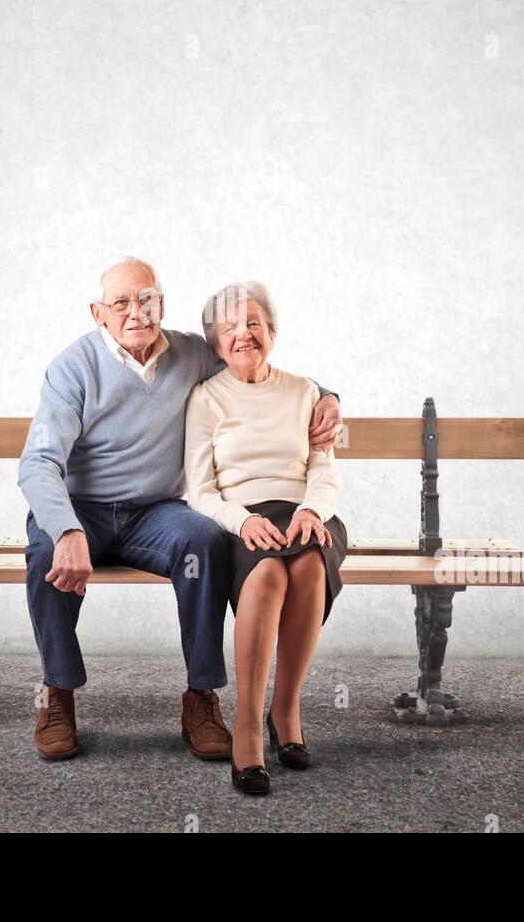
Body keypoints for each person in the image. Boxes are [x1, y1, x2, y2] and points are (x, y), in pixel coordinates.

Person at [18, 257, 343, 761]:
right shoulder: (72, 367)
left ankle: (201, 696)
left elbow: (255, 363)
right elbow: (38, 463)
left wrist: (327, 395)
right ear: (97, 313)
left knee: (204, 540)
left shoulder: (190, 353)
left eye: (146, 299)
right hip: (83, 509)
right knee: (45, 555)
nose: (135, 312)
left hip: (155, 513)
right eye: (120, 302)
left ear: (161, 304)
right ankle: (57, 692)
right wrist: (66, 529)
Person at [183, 281, 347, 794]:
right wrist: (241, 520)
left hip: (304, 511)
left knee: (308, 563)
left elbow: (325, 470)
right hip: (241, 518)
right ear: (215, 343)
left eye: (253, 322)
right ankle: (249, 726)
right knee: (271, 570)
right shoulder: (205, 397)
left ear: (271, 331)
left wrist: (311, 510)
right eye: (229, 327)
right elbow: (199, 490)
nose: (243, 334)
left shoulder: (305, 392)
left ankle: (287, 709)